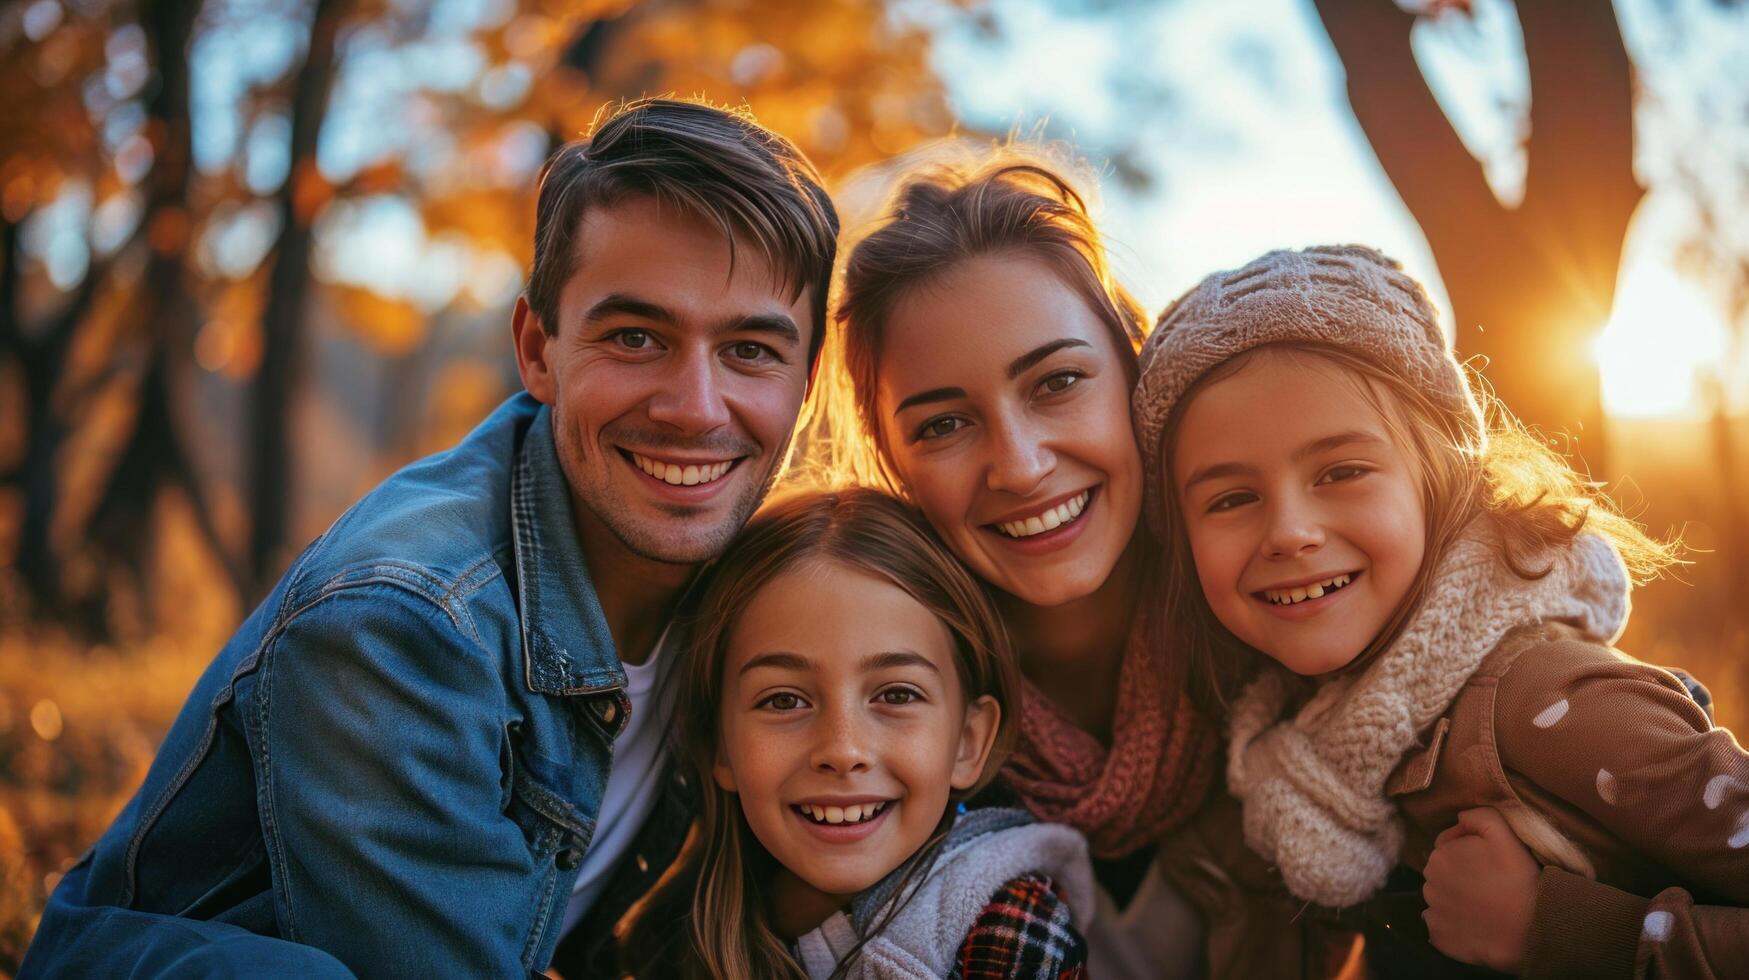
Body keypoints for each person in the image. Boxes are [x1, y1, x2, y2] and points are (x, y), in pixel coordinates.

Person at [20, 97, 839, 978]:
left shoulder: (773, 592)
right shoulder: (402, 625)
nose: (694, 407)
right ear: (538, 349)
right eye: (635, 337)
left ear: (806, 378)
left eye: (750, 350)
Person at [1132, 244, 1749, 976]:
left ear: (1438, 476)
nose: (1290, 531)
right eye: (1231, 498)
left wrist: (1549, 930)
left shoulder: (1554, 706)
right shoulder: (1289, 742)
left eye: (1341, 472)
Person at [819, 155, 1215, 977]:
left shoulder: (1268, 618)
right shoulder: (874, 734)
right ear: (891, 460)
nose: (1021, 465)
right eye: (941, 426)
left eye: (1058, 381)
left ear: (1136, 367)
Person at [623, 487, 1095, 979]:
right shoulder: (672, 942)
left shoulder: (1008, 933)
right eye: (784, 700)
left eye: (896, 695)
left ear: (968, 741)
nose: (843, 750)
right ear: (720, 745)